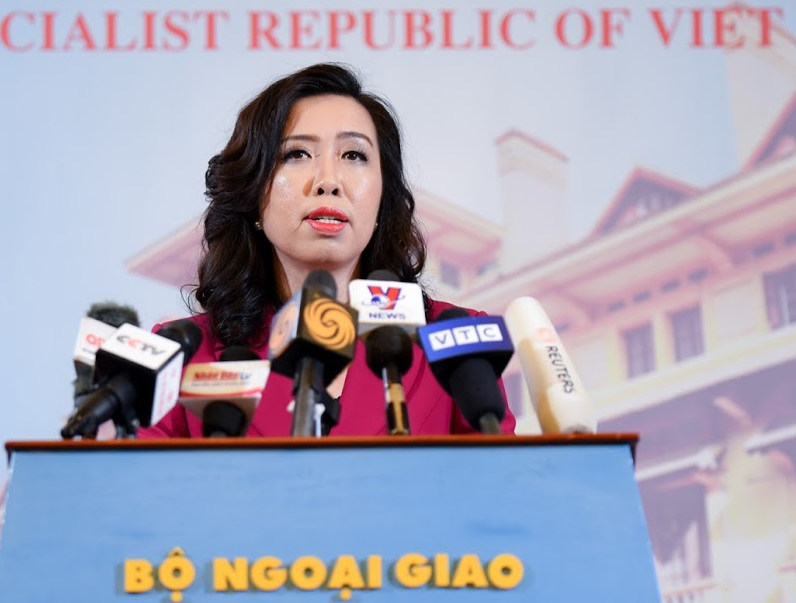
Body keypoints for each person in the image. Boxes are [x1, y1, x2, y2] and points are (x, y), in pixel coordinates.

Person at [139, 63, 515, 438]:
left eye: (353, 155)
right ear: (253, 193)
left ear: (382, 197)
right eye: (297, 154)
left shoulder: (458, 348)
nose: (329, 182)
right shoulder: (182, 356)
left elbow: (501, 471)